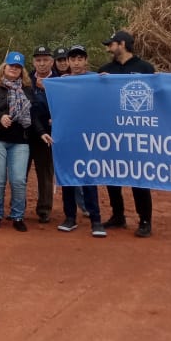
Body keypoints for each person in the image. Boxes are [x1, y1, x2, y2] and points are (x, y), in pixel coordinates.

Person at [99, 29, 157, 237]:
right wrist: (101, 83)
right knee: (112, 174)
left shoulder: (145, 68)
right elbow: (98, 98)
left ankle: (145, 220)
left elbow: (156, 97)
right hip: (113, 131)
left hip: (137, 131)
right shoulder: (105, 70)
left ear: (122, 44)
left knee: (138, 177)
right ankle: (118, 215)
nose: (108, 48)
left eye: (111, 44)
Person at [50, 44, 106, 237]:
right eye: (72, 59)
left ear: (86, 60)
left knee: (89, 178)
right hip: (66, 137)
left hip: (89, 138)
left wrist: (107, 82)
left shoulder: (96, 79)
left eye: (79, 58)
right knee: (67, 178)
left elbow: (106, 99)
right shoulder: (61, 82)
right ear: (68, 62)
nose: (76, 62)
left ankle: (96, 220)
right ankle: (70, 218)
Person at [0, 51, 36, 230]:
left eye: (18, 67)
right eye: (11, 65)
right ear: (4, 67)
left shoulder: (26, 89)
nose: (14, 69)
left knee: (18, 180)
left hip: (20, 140)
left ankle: (17, 216)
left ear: (22, 70)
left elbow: (33, 114)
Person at [28, 45, 57, 223]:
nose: (42, 63)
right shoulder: (26, 79)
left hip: (47, 134)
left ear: (51, 62)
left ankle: (44, 210)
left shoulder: (61, 80)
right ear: (34, 62)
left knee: (45, 173)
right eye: (38, 60)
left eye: (45, 60)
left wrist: (49, 89)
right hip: (25, 133)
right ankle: (18, 208)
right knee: (20, 174)